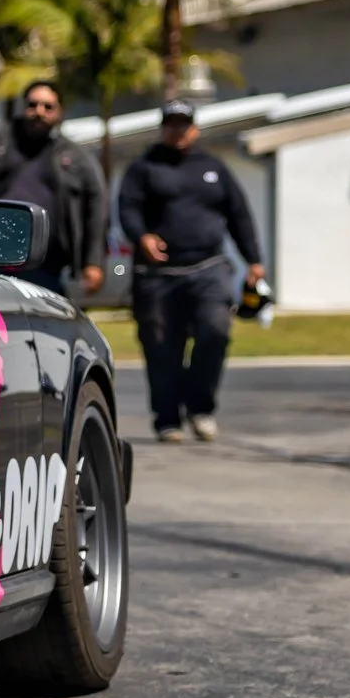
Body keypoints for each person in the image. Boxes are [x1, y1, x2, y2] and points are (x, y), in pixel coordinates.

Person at [116, 100, 263, 443]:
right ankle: (167, 418)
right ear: (162, 128)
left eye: (183, 124)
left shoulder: (213, 167)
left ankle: (200, 408)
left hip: (209, 268)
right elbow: (129, 209)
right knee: (161, 347)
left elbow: (239, 215)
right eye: (171, 123)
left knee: (216, 331)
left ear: (194, 128)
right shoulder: (144, 168)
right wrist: (142, 237)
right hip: (157, 276)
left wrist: (254, 260)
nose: (177, 130)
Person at [0, 80, 107, 298]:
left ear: (59, 112)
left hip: (49, 269)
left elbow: (96, 206)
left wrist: (93, 262)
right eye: (33, 104)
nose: (39, 112)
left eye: (48, 107)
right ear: (23, 107)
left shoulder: (75, 157)